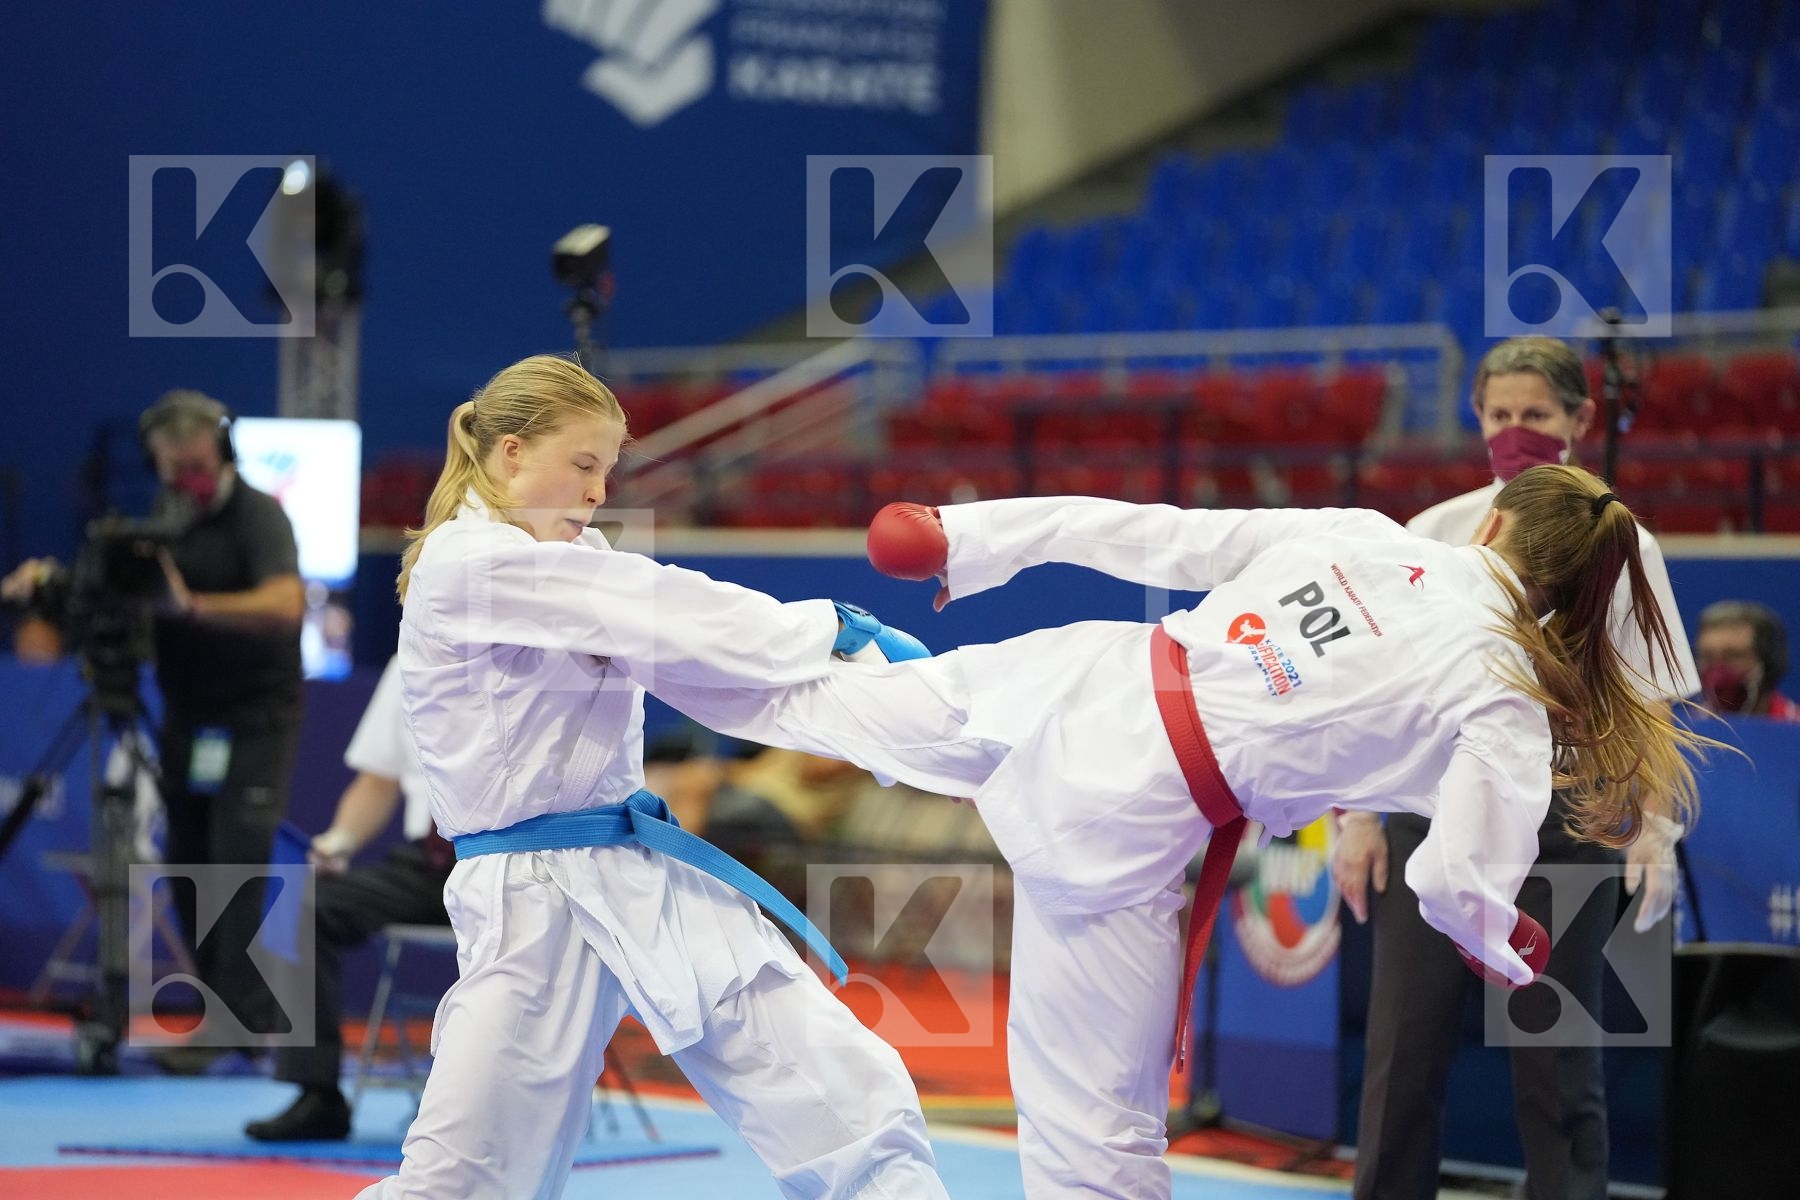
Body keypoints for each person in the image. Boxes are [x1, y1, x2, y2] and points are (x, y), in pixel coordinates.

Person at [643, 466, 1717, 1200]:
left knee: (807, 694)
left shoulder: (1366, 538)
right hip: (1127, 820)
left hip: (1074, 676)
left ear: (1487, 524)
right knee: (1095, 1134)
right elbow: (1455, 879)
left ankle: (599, 614)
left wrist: (967, 538)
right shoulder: (1508, 699)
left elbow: (1151, 529)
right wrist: (1495, 937)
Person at [357, 354, 948, 1200]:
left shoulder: (579, 557)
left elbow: (701, 670)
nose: (599, 492)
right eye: (584, 465)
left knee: (838, 1082)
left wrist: (882, 718)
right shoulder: (469, 563)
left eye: (610, 470)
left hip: (634, 865)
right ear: (512, 454)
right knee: (466, 1178)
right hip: (529, 895)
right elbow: (665, 606)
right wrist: (830, 624)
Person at [1331, 336, 1699, 1200]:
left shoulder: (1624, 543)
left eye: (1535, 415)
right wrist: (1355, 821)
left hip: (1565, 826)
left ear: (1581, 420)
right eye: (1499, 414)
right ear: (1476, 417)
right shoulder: (1432, 533)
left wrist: (1651, 826)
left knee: (1560, 1069)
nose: (1515, 431)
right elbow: (1374, 691)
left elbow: (1648, 701)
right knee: (1402, 1058)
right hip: (1430, 817)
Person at [2, 389, 306, 1061]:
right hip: (189, 715)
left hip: (255, 717)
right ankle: (241, 1014)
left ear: (222, 452)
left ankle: (232, 1024)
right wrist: (61, 582)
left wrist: (193, 606)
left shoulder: (259, 518)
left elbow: (289, 604)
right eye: (172, 469)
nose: (184, 480)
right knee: (187, 861)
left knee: (234, 863)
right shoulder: (169, 513)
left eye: (195, 466)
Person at [245, 654, 455, 1142]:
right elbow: (377, 780)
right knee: (301, 906)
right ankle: (316, 1094)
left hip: (515, 856)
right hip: (430, 862)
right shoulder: (411, 660)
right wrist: (339, 840)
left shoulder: (531, 645)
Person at [1695, 599, 1799, 720]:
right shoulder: (1686, 730)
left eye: (1732, 656)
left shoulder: (1795, 727)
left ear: (1768, 663)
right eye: (1708, 656)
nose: (1717, 670)